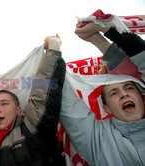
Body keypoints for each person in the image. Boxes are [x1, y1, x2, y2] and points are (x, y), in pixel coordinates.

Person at [0, 35, 66, 166]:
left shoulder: (30, 130)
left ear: (18, 110)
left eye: (4, 104)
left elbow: (44, 91)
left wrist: (53, 47)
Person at [59, 17, 145, 165]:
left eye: (129, 88)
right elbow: (65, 99)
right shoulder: (98, 141)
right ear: (107, 108)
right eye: (113, 93)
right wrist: (52, 56)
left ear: (142, 97)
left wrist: (108, 30)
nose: (124, 94)